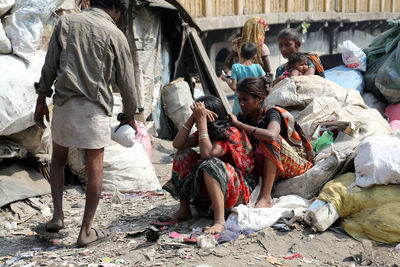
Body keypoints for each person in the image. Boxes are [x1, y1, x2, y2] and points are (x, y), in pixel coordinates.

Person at [33, 0, 137, 247]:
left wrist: (41, 98)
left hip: (64, 104)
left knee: (58, 159)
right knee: (95, 168)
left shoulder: (66, 22)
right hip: (94, 109)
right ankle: (86, 231)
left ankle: (57, 216)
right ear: (118, 9)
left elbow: (49, 66)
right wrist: (130, 115)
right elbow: (127, 81)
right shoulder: (115, 33)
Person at [161, 95, 254, 234]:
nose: (198, 119)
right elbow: (178, 144)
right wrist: (193, 118)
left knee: (210, 165)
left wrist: (202, 122)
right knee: (183, 154)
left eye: (200, 116)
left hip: (237, 192)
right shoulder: (206, 132)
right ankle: (184, 210)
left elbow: (207, 153)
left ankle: (219, 220)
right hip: (212, 194)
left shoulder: (231, 132)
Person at [230, 77, 314, 208]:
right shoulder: (243, 117)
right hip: (266, 165)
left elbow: (271, 135)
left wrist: (239, 125)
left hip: (292, 162)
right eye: (239, 99)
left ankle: (265, 197)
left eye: (245, 100)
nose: (241, 104)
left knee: (269, 141)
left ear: (260, 98)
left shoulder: (271, 112)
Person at [221, 42, 266, 115]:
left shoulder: (236, 67)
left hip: (240, 106)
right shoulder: (258, 67)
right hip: (254, 104)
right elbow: (265, 82)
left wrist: (226, 79)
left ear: (240, 55)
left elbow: (233, 87)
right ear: (254, 57)